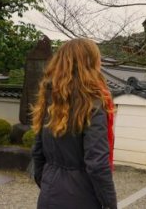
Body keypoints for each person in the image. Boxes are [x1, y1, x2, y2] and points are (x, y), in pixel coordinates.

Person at [31, 38, 117, 209]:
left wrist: (48, 183)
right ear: (91, 63)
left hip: (49, 194)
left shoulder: (50, 100)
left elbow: (37, 153)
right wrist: (110, 203)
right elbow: (97, 164)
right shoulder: (93, 104)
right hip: (82, 197)